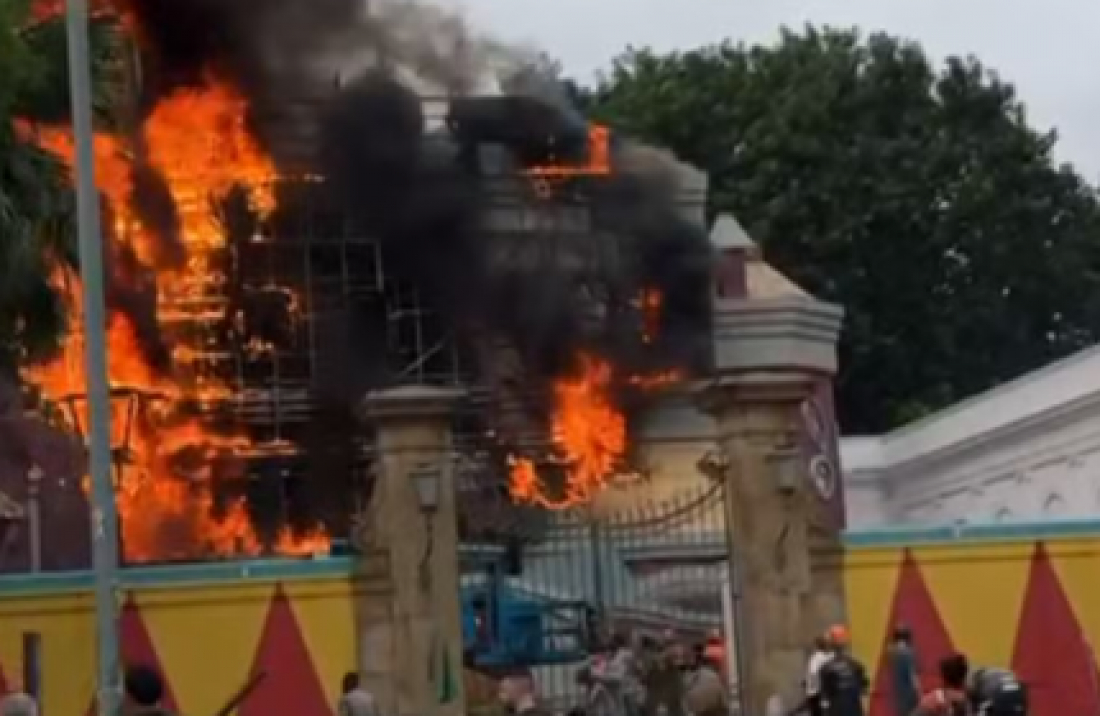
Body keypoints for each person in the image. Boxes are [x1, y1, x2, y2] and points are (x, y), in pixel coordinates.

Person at [818, 625, 868, 716]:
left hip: (837, 710)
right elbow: (863, 688)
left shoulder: (826, 668)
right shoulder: (857, 665)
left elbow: (825, 697)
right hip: (854, 709)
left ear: (831, 643)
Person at [887, 624, 921, 716]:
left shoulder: (891, 652)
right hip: (910, 694)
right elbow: (913, 676)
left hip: (898, 693)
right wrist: (919, 693)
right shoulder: (909, 653)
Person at [803, 634, 834, 716]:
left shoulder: (823, 657)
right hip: (819, 694)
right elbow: (813, 674)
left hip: (819, 694)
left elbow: (812, 674)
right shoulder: (819, 657)